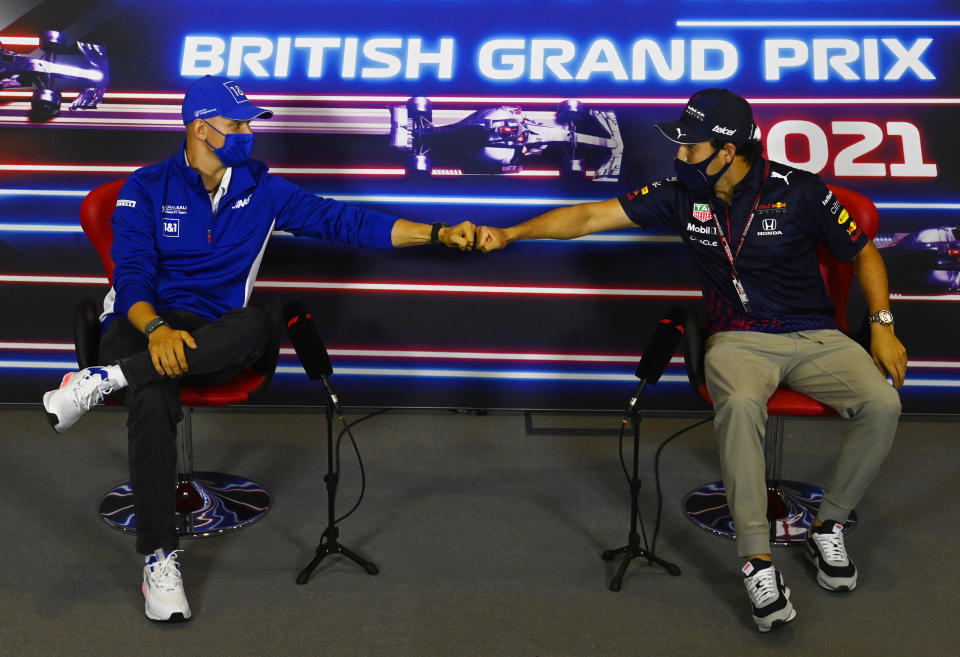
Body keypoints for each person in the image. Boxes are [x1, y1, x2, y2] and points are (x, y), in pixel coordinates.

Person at [42, 75, 477, 622]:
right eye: (238, 125)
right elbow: (130, 278)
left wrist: (436, 234)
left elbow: (346, 222)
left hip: (220, 328)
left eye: (250, 123)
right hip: (142, 321)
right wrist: (156, 332)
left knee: (260, 322)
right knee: (153, 395)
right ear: (201, 128)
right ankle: (159, 555)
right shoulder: (145, 186)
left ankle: (107, 379)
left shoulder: (263, 187)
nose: (249, 134)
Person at [475, 88, 906, 632]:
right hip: (739, 340)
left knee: (882, 404)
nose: (680, 158)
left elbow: (863, 250)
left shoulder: (798, 190)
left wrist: (882, 326)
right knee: (743, 404)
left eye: (691, 148)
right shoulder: (681, 195)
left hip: (816, 334)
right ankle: (757, 559)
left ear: (728, 151)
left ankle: (829, 526)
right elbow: (587, 217)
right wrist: (512, 233)